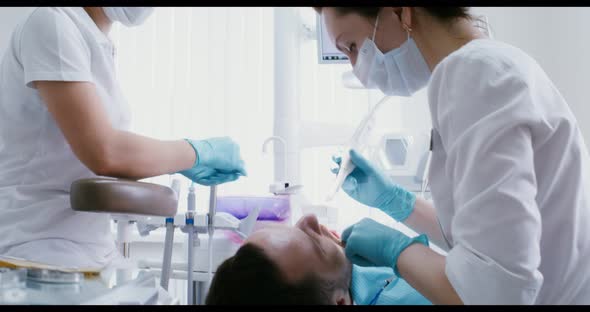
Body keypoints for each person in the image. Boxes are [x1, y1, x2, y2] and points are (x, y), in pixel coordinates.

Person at [317, 7, 590, 304]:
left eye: (352, 47)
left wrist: (396, 251)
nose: (357, 67)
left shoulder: (472, 74)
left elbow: (496, 293)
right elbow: (487, 237)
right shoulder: (488, 65)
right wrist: (395, 202)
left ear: (399, 12)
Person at [0, 7, 246, 268]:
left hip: (87, 242)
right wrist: (196, 152)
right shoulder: (52, 22)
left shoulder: (93, 40)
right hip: (37, 243)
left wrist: (182, 159)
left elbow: (101, 151)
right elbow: (106, 152)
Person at [205, 214, 431, 305]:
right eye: (314, 243)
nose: (309, 219)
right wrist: (405, 255)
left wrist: (404, 206)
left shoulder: (351, 280)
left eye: (293, 227)